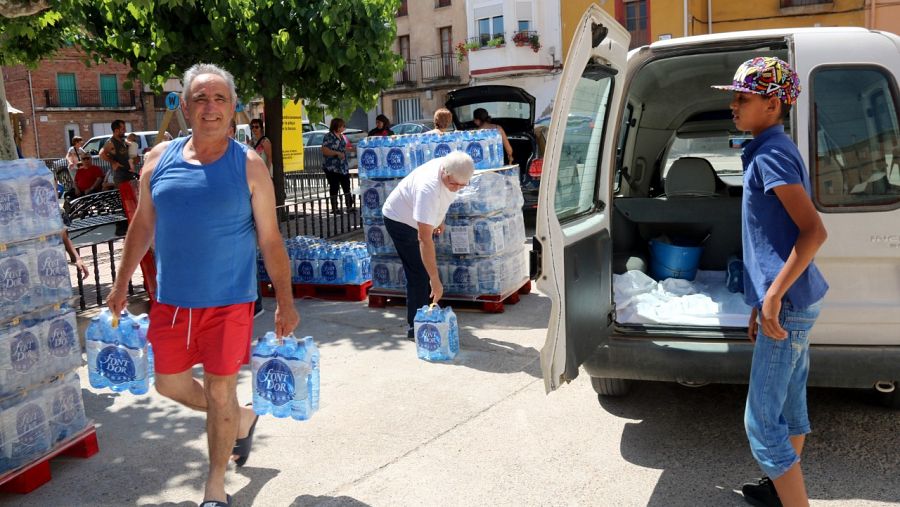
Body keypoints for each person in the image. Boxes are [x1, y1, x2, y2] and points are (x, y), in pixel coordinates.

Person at [106, 63, 299, 507]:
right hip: (171, 303)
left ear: (233, 109)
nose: (210, 108)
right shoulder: (158, 159)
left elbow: (271, 240)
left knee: (219, 389)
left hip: (229, 302)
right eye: (200, 99)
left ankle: (214, 486)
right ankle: (241, 418)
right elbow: (142, 225)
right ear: (186, 107)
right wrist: (119, 286)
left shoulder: (250, 166)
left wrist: (284, 303)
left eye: (219, 99)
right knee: (169, 385)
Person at [713, 57, 829, 507]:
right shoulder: (766, 149)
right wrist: (761, 300)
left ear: (774, 104)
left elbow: (813, 231)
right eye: (734, 99)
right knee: (787, 408)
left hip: (791, 304)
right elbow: (770, 243)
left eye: (743, 98)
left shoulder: (773, 154)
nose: (735, 107)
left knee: (762, 423)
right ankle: (780, 495)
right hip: (790, 302)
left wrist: (775, 296)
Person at [381, 151, 474, 339]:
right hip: (400, 220)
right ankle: (416, 327)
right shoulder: (428, 188)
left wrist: (439, 219)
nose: (456, 189)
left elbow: (444, 199)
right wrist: (435, 279)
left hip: (416, 215)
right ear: (444, 173)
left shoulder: (454, 168)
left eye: (462, 185)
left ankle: (426, 316)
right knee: (419, 273)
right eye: (453, 184)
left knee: (425, 269)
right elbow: (424, 238)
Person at [321, 118, 354, 214]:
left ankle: (349, 206)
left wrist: (354, 149)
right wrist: (337, 153)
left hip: (343, 166)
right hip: (332, 167)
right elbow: (324, 150)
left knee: (346, 186)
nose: (344, 127)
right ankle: (335, 208)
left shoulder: (341, 136)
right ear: (337, 126)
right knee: (334, 187)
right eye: (342, 126)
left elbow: (344, 148)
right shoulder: (328, 136)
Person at [100, 120, 138, 184]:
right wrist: (113, 162)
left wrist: (135, 158)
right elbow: (101, 154)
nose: (125, 130)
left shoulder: (123, 140)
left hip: (129, 173)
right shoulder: (110, 142)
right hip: (120, 176)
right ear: (116, 130)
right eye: (123, 129)